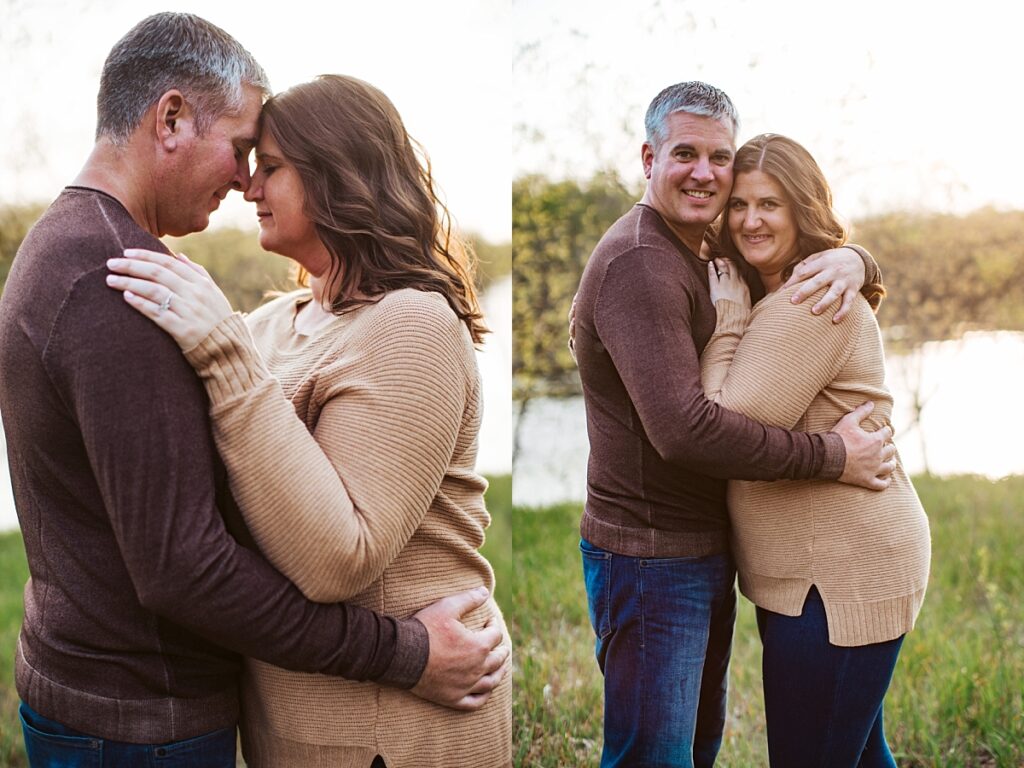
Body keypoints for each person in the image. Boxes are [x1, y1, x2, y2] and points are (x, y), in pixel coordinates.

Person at [0, 13, 506, 767]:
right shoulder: (188, 302)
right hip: (213, 721)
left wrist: (226, 354)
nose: (246, 183)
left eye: (266, 164)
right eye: (245, 154)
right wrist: (401, 650)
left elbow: (333, 555)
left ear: (338, 175)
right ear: (170, 117)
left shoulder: (408, 326)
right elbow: (191, 548)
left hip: (391, 736)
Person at [570, 81, 898, 768]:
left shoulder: (705, 242)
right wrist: (830, 456)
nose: (705, 174)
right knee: (653, 757)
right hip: (650, 553)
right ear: (648, 157)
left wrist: (855, 257)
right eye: (684, 153)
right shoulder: (643, 262)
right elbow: (689, 431)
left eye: (719, 157)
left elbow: (784, 230)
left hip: (704, 550)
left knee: (695, 746)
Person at [700, 133, 930, 767]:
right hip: (820, 574)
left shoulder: (806, 299)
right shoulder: (786, 291)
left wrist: (727, 318)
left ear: (803, 208)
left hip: (837, 576)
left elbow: (724, 425)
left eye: (769, 203)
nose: (750, 220)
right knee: (855, 755)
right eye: (739, 204)